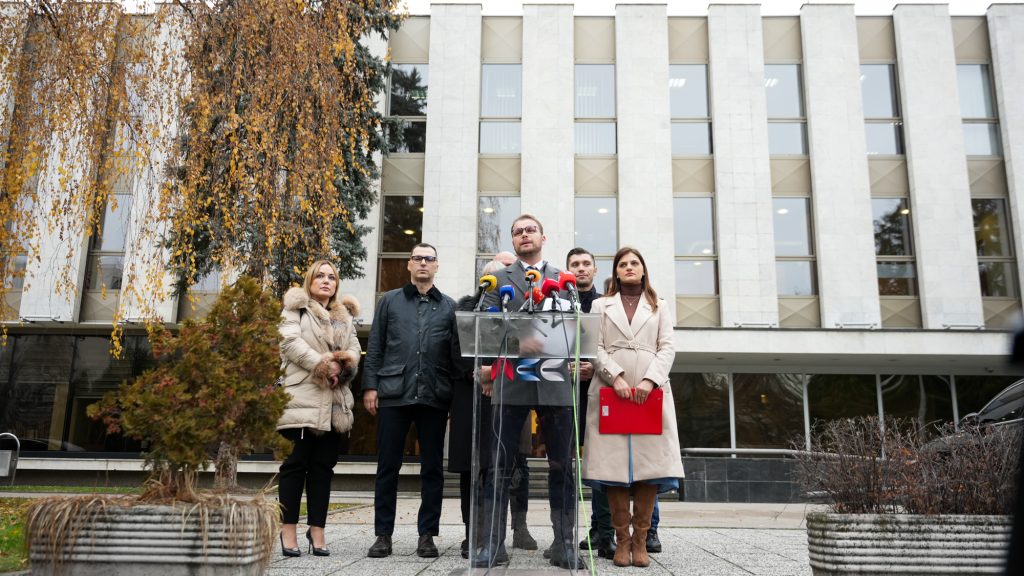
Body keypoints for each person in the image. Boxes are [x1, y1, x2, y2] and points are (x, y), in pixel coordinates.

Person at [476, 214, 587, 570]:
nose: (524, 235)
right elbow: (486, 327)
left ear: (543, 237)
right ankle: (493, 544)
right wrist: (517, 342)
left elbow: (578, 328)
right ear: (513, 240)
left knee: (562, 466)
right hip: (511, 380)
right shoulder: (497, 280)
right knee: (499, 465)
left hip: (555, 380)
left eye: (530, 230)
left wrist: (578, 357)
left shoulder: (563, 279)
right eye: (518, 232)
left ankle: (564, 544)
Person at [584, 247, 684, 568]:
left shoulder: (659, 305)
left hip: (649, 392)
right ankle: (622, 540)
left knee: (649, 466)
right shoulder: (600, 305)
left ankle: (640, 539)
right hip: (611, 390)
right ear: (616, 271)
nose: (629, 267)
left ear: (643, 270)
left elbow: (667, 347)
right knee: (612, 467)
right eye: (623, 264)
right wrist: (615, 376)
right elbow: (594, 346)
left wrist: (649, 381)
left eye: (634, 263)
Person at [364, 243, 458, 559]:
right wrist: (370, 387)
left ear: (436, 265)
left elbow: (453, 356)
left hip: (434, 395)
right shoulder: (389, 302)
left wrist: (452, 398)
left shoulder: (449, 307)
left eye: (429, 258)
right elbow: (375, 347)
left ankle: (427, 535)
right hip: (393, 393)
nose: (423, 263)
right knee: (387, 467)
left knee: (432, 469)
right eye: (418, 258)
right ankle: (383, 535)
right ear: (409, 264)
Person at [448, 251, 537, 559]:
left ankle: (509, 530)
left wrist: (495, 376)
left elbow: (528, 352)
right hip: (473, 399)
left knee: (509, 468)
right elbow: (457, 353)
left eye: (508, 271)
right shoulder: (466, 310)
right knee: (473, 470)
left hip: (510, 397)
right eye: (496, 273)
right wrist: (480, 375)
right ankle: (473, 533)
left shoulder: (525, 310)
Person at [277, 259, 361, 558]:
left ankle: (317, 530)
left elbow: (354, 349)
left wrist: (344, 365)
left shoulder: (344, 316)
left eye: (332, 277)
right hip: (303, 397)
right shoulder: (296, 309)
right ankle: (288, 529)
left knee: (323, 469)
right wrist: (325, 365)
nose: (326, 281)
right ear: (310, 280)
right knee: (295, 466)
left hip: (335, 403)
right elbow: (290, 343)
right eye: (320, 276)